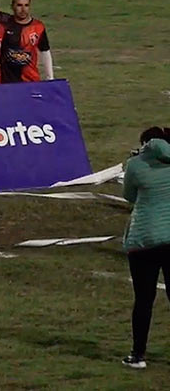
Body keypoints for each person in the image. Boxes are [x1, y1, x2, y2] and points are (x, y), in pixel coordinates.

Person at [121, 127, 170, 369]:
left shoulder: (136, 165)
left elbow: (129, 196)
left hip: (144, 240)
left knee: (143, 300)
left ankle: (138, 355)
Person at [0, 0, 54, 83]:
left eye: (26, 5)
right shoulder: (3, 23)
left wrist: (50, 77)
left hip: (30, 80)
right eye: (19, 5)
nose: (23, 9)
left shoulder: (38, 26)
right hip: (7, 82)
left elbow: (45, 51)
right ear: (12, 6)